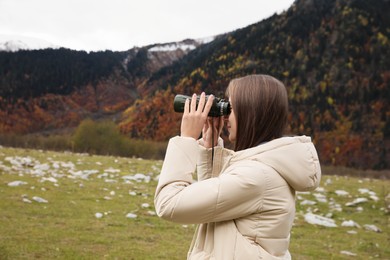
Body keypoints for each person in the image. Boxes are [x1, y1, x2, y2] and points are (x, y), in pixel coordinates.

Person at [154, 74, 321, 259]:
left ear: (251, 112)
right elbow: (215, 207)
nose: (225, 117)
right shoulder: (262, 167)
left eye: (231, 108)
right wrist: (210, 149)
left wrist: (186, 139)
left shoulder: (256, 176)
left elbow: (169, 204)